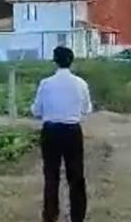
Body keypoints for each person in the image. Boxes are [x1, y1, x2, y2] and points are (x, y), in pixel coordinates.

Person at [31, 46, 93, 222]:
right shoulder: (81, 84)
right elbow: (86, 109)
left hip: (51, 132)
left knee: (51, 176)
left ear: (55, 61)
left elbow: (36, 110)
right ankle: (77, 216)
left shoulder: (46, 84)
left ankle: (50, 215)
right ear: (71, 61)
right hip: (72, 131)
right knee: (76, 176)